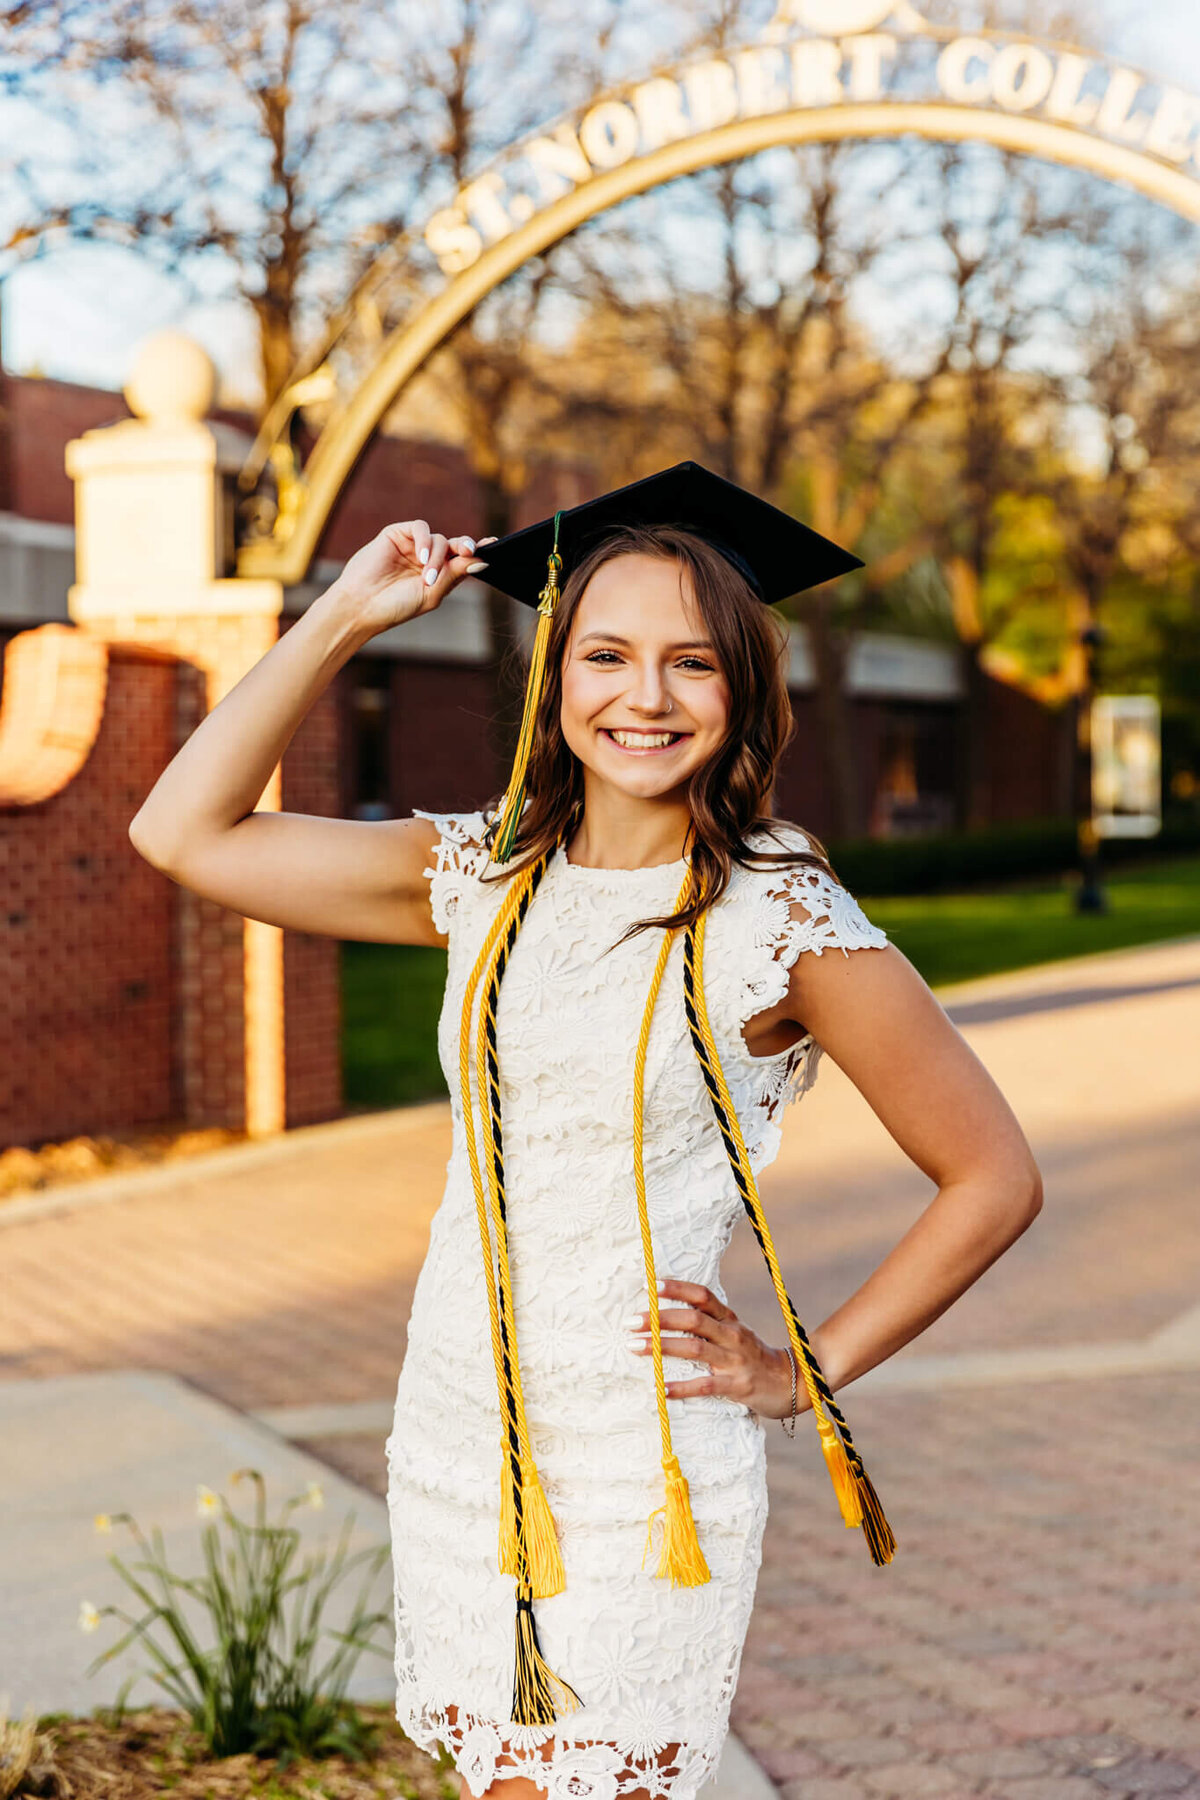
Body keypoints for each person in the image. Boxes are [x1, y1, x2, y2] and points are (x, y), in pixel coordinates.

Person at [129, 462, 1043, 1800]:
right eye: (607, 654)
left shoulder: (779, 916)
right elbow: (182, 830)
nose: (646, 696)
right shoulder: (484, 875)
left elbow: (992, 1177)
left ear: (743, 695)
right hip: (460, 1436)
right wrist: (339, 617)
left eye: (691, 664)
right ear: (557, 679)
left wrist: (807, 1373)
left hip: (640, 1474)